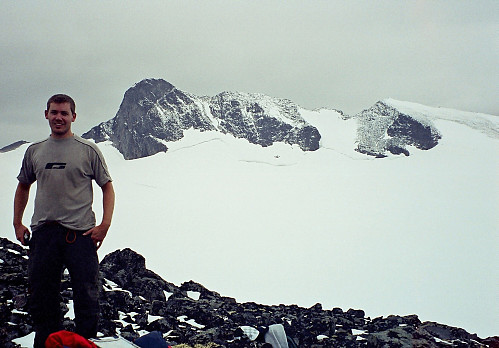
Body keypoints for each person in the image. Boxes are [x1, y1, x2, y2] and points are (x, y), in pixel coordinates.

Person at [13, 94, 115, 348]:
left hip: (80, 234)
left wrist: (104, 225)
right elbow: (23, 186)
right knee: (42, 295)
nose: (59, 117)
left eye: (64, 113)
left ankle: (85, 343)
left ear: (73, 117)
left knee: (87, 295)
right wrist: (18, 223)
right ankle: (48, 343)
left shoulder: (88, 150)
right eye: (54, 112)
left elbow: (107, 187)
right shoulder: (35, 151)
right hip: (44, 233)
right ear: (46, 114)